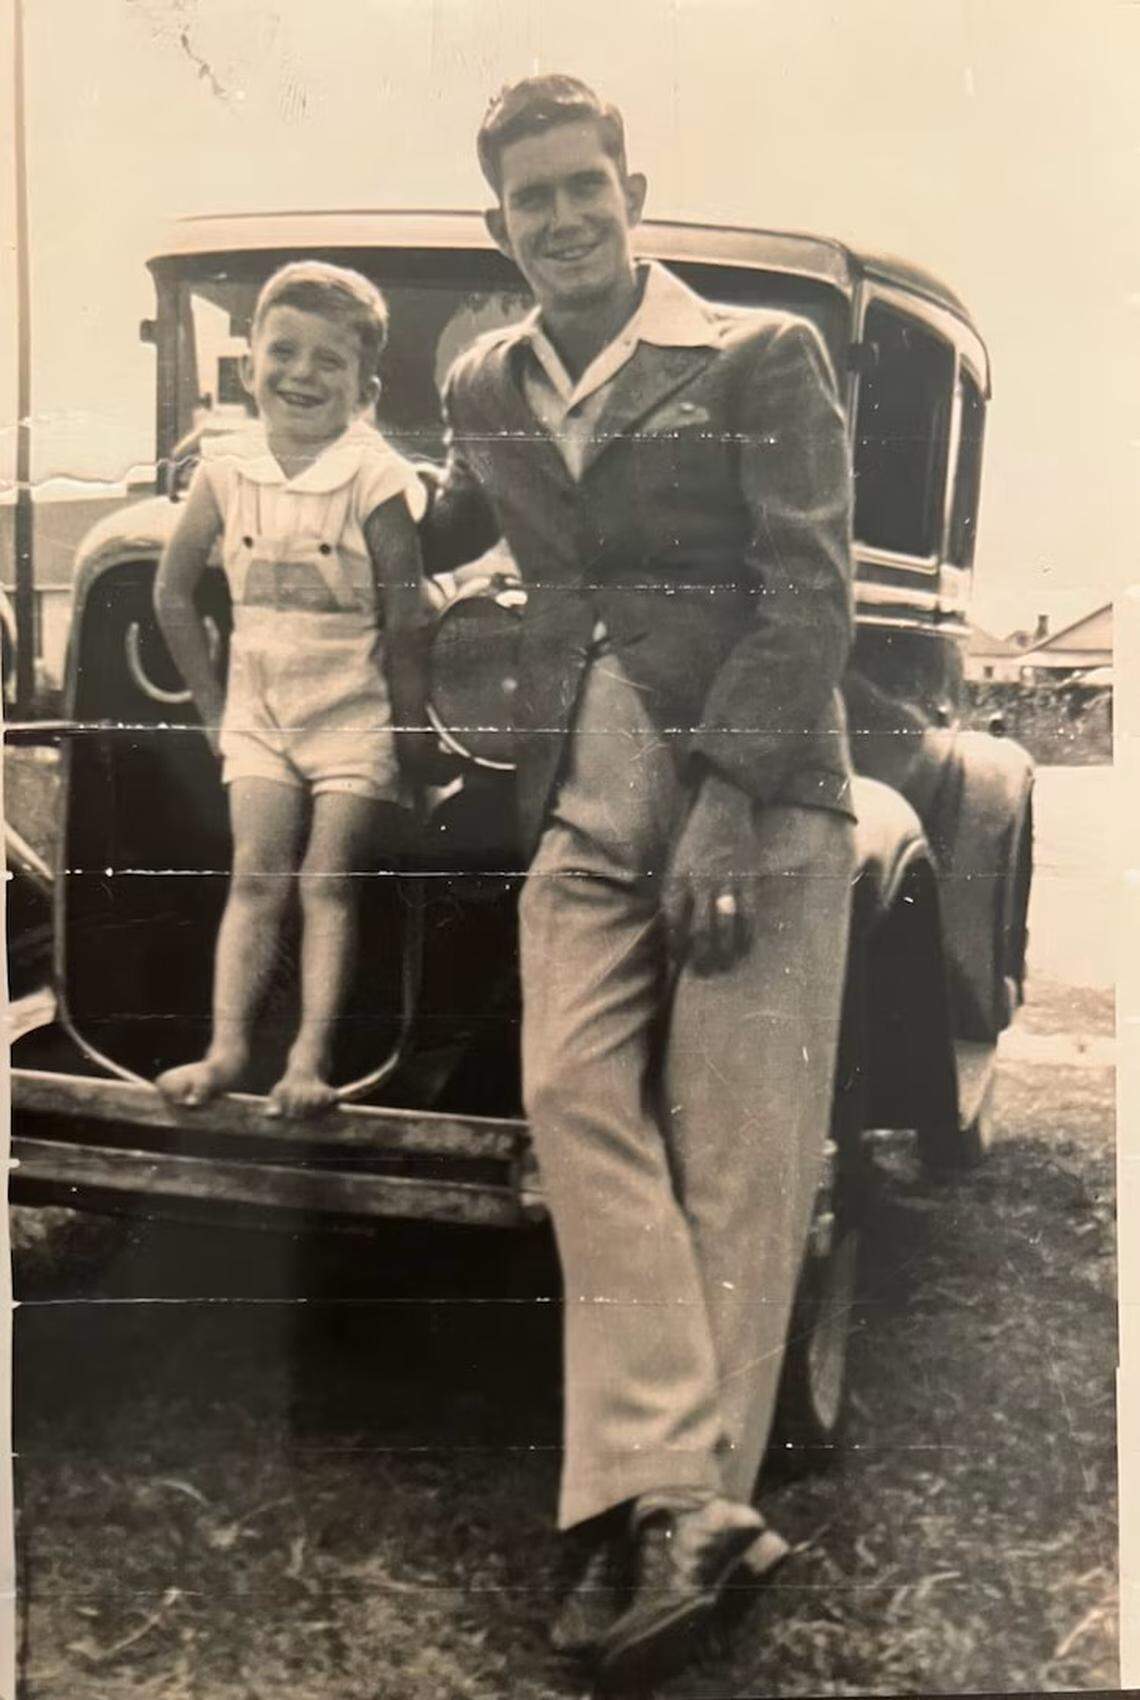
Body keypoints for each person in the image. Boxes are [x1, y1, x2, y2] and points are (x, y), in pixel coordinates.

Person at [420, 76, 859, 1687]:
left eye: (581, 187)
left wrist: (733, 804)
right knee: (573, 1107)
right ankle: (669, 1492)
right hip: (580, 810)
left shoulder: (758, 356)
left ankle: (675, 1517)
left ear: (633, 186)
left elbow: (810, 596)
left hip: (753, 805)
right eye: (527, 199)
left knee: (738, 1170)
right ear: (498, 223)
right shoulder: (484, 379)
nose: (559, 219)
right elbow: (479, 528)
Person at [154, 261, 435, 1118]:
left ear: (366, 388)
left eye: (329, 362)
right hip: (260, 715)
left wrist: (412, 740)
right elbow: (170, 593)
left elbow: (408, 614)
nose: (301, 375)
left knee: (326, 881)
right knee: (256, 878)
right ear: (248, 369)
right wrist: (212, 709)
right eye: (283, 353)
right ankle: (226, 1049)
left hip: (353, 717)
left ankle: (308, 1063)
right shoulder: (226, 469)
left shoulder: (374, 477)